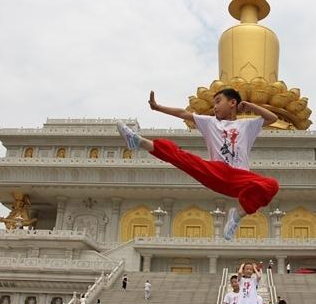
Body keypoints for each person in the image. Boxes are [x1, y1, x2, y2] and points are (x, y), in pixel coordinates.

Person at [117, 89, 279, 240]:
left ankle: (237, 216)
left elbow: (273, 118)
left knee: (272, 185)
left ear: (232, 103)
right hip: (217, 172)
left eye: (218, 101)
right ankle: (139, 142)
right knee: (182, 158)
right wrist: (158, 107)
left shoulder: (247, 125)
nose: (214, 107)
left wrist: (250, 105)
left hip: (240, 178)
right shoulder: (209, 122)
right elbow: (183, 113)